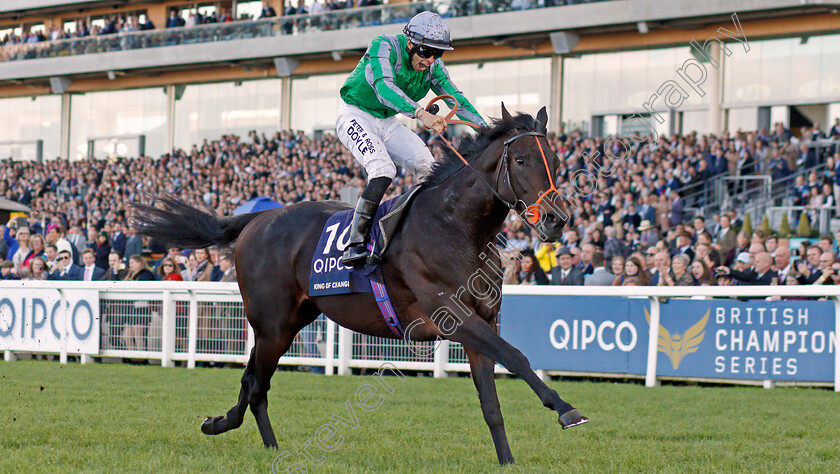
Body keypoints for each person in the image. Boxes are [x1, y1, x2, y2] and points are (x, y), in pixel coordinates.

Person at [337, 11, 486, 266]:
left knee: (429, 169)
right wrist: (421, 113)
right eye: (427, 52)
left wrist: (486, 130)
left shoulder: (433, 67)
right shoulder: (382, 46)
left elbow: (455, 99)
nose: (431, 60)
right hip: (355, 114)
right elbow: (383, 87)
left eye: (438, 54)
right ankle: (355, 242)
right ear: (411, 43)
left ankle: (426, 233)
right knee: (383, 169)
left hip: (388, 121)